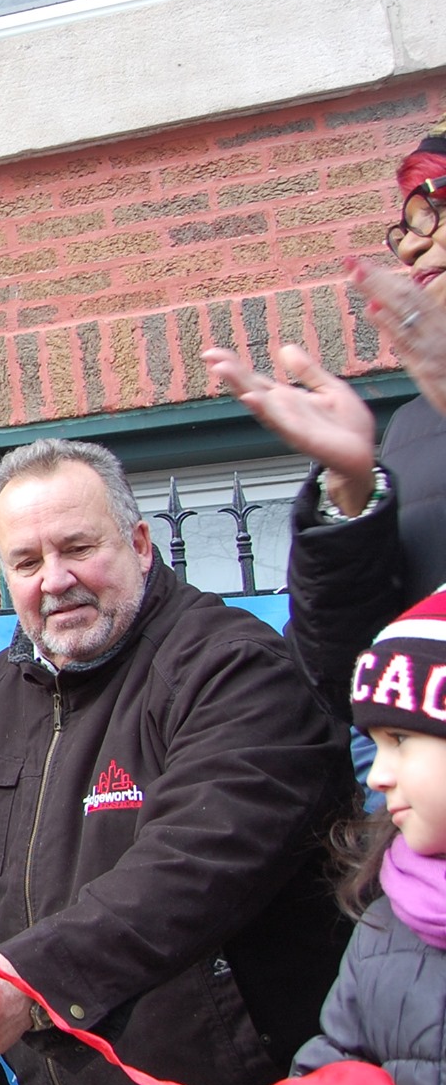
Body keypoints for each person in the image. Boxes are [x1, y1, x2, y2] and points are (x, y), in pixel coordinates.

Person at [0, 438, 354, 1085]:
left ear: (140, 544)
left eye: (80, 547)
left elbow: (191, 869)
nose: (56, 578)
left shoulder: (234, 669)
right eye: (28, 559)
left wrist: (25, 985)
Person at [210, 118, 446, 718]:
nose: (413, 245)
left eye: (435, 209)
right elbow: (344, 679)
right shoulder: (411, 429)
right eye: (405, 227)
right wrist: (350, 490)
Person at [283, 589, 446, 1085]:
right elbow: (325, 1069)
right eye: (374, 741)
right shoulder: (385, 921)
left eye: (402, 738)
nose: (376, 773)